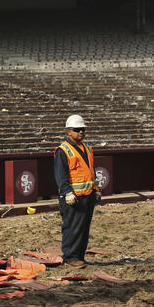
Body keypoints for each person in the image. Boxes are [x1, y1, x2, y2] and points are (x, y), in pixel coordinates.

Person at [54, 114, 100, 267]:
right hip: (72, 196)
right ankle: (71, 257)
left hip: (87, 195)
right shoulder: (63, 150)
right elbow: (61, 175)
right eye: (77, 129)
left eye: (83, 129)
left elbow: (90, 171)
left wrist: (96, 188)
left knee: (83, 228)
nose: (81, 132)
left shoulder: (87, 148)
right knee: (72, 227)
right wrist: (67, 192)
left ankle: (80, 256)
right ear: (68, 131)